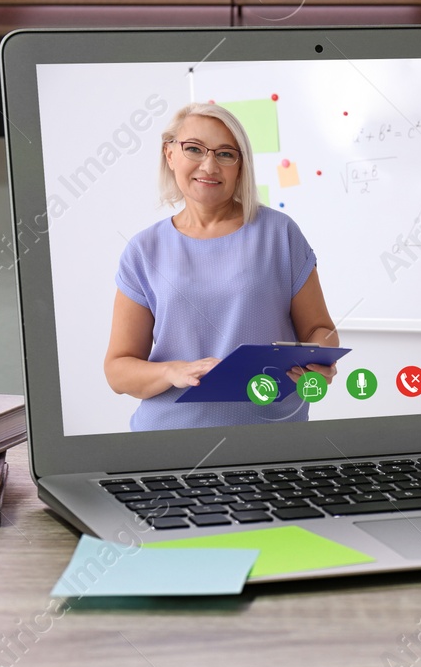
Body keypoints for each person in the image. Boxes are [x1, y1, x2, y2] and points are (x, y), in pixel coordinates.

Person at [104, 102, 339, 429]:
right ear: (170, 154)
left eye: (226, 154)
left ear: (241, 167)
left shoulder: (279, 233)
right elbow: (118, 370)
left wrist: (317, 358)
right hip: (170, 443)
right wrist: (173, 371)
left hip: (274, 439)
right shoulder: (144, 250)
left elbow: (321, 330)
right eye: (194, 149)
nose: (210, 165)